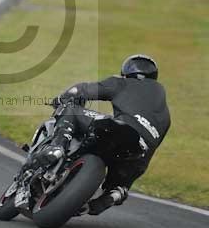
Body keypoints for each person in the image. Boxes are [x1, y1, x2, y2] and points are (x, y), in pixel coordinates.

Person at [35, 55, 171, 215]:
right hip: (138, 150)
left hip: (119, 129)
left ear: (126, 72)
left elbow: (81, 90)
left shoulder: (123, 82)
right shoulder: (166, 116)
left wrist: (61, 99)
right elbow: (149, 152)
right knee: (121, 179)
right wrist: (126, 182)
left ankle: (57, 146)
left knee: (71, 110)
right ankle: (115, 193)